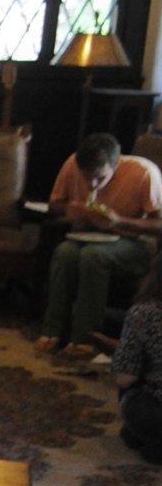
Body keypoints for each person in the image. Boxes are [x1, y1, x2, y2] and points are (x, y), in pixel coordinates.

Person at [35, 132, 162, 358]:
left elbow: (159, 224)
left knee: (93, 256)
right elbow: (54, 204)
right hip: (86, 235)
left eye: (100, 178)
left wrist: (119, 221)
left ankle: (85, 338)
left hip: (134, 243)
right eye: (86, 177)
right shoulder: (72, 164)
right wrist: (68, 210)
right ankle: (53, 331)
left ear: (116, 164)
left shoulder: (143, 172)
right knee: (64, 252)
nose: (92, 184)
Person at [114, 252, 162, 462]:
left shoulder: (144, 312)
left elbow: (125, 377)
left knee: (130, 382)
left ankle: (143, 434)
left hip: (155, 413)